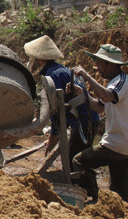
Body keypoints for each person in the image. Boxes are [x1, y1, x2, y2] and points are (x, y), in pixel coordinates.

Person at [70, 44, 128, 202]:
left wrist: (87, 77)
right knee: (119, 186)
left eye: (100, 64)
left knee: (79, 161)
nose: (98, 68)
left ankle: (94, 196)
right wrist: (83, 94)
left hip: (119, 142)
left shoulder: (122, 81)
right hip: (125, 143)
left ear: (111, 64)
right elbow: (100, 107)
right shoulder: (114, 82)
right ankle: (125, 211)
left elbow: (107, 97)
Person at [24, 35, 99, 169]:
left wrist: (53, 138)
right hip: (85, 117)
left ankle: (86, 188)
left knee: (74, 162)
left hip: (84, 120)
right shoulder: (58, 69)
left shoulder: (54, 76)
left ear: (40, 57)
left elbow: (57, 111)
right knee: (72, 159)